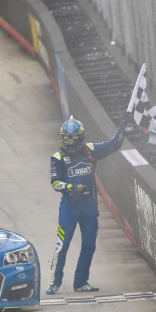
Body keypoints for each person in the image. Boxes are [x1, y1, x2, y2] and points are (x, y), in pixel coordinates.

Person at [46, 112, 130, 294]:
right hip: (69, 207)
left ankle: (81, 281)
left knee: (90, 244)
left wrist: (122, 126)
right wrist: (71, 187)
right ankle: (54, 281)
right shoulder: (57, 158)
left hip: (89, 207)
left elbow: (115, 144)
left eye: (74, 139)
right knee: (63, 244)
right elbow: (54, 182)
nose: (70, 143)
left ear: (81, 137)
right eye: (67, 139)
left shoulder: (92, 150)